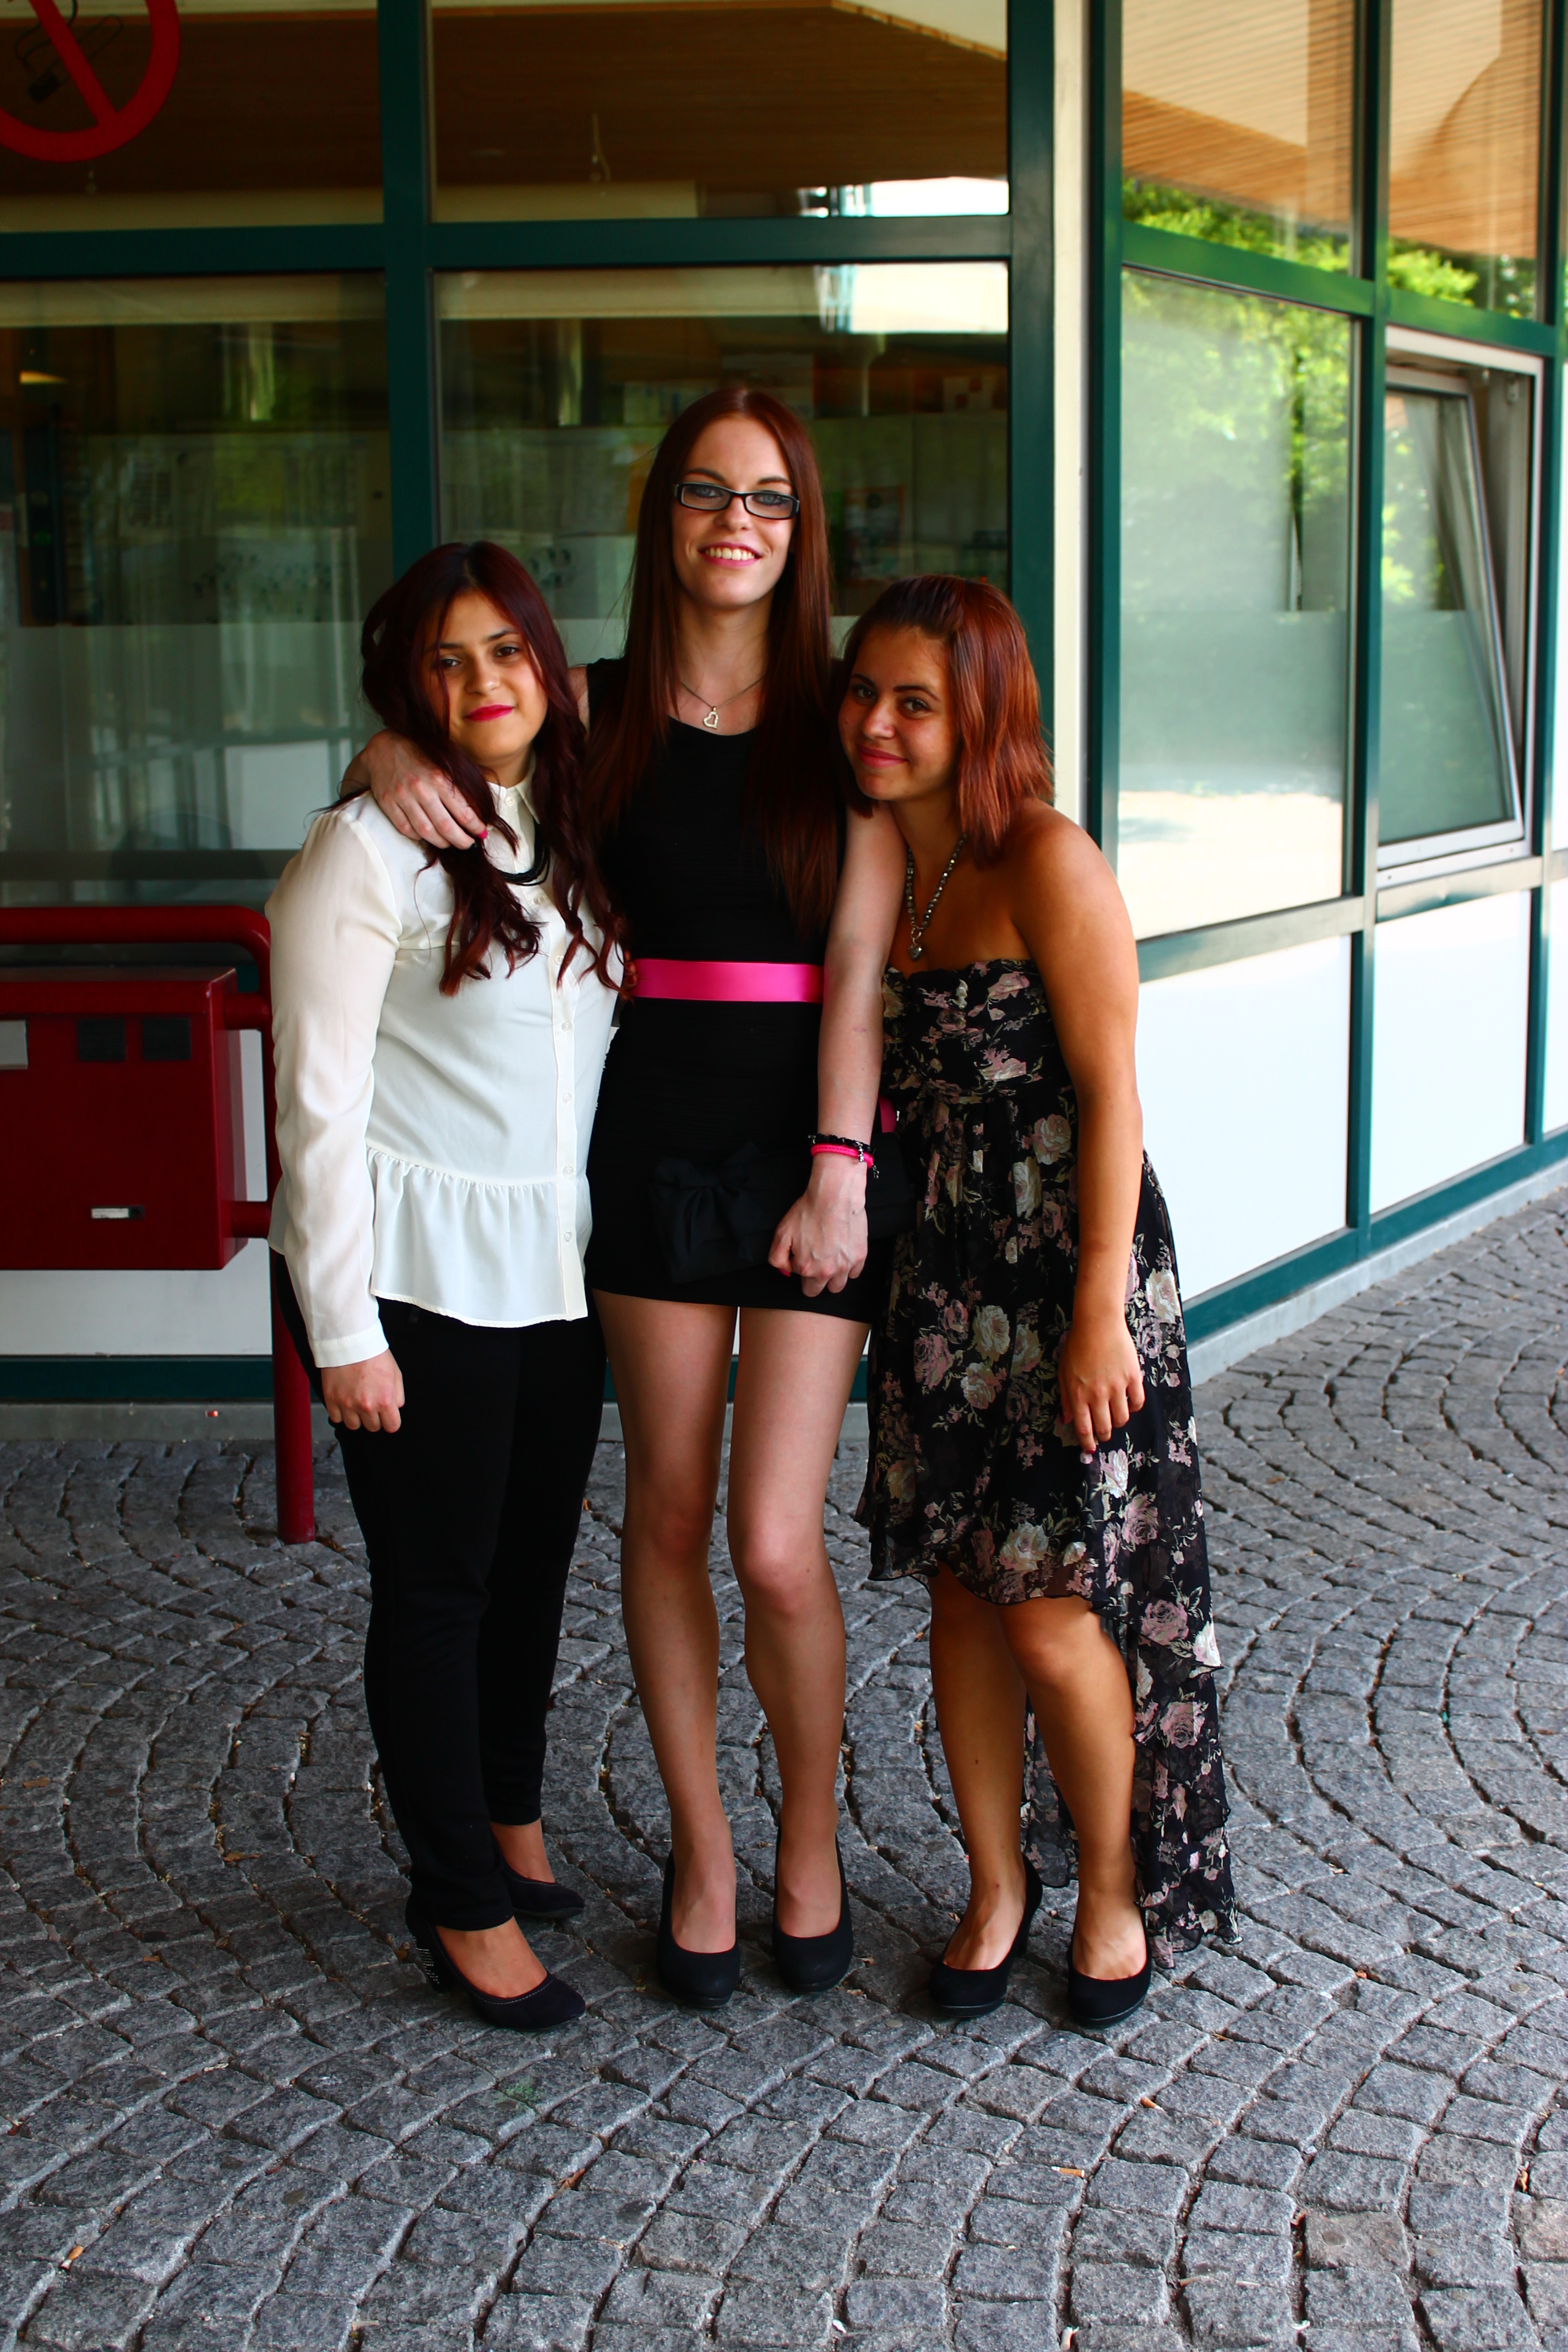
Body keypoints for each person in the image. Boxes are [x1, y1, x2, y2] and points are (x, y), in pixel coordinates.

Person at [342, 388, 894, 2007]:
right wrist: (385, 753)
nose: (739, 522)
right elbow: (451, 760)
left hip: (810, 1156)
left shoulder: (842, 724)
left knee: (775, 1543)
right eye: (709, 492)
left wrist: (843, 1171)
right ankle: (703, 1856)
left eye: (770, 499)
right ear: (665, 517)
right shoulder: (588, 708)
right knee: (660, 1514)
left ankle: (808, 1845)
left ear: (801, 529)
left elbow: (864, 964)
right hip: (640, 1150)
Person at [838, 574, 1236, 2027]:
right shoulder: (890, 857)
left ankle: (1114, 1891)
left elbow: (1116, 1094)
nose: (877, 724)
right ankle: (995, 1887)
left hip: (1072, 1267)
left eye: (915, 702)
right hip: (946, 1276)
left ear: (982, 715)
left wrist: (1096, 1317)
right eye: (863, 692)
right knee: (962, 1597)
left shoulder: (1048, 859)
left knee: (1057, 1614)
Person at [268, 541, 623, 2031]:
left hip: (555, 1274)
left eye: (506, 651)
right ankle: (458, 1902)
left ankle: (511, 1827)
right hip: (414, 1281)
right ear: (405, 687)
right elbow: (314, 1108)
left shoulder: (567, 815)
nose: (485, 683)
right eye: (446, 662)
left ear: (547, 662)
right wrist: (342, 1330)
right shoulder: (365, 850)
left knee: (530, 1575)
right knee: (437, 1592)